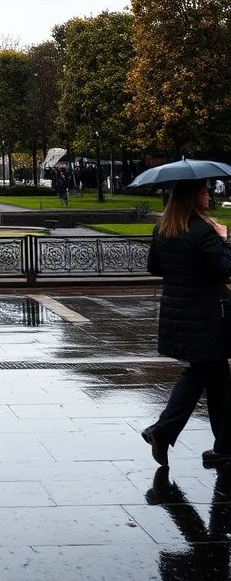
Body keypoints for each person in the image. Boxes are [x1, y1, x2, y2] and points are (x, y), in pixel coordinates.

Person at [142, 179, 231, 470]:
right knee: (202, 372)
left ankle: (223, 446)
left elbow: (154, 267)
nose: (209, 196)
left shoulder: (164, 231)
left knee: (218, 376)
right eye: (205, 192)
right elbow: (224, 270)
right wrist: (223, 239)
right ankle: (163, 429)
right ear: (193, 198)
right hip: (207, 316)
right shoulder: (203, 232)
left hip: (179, 315)